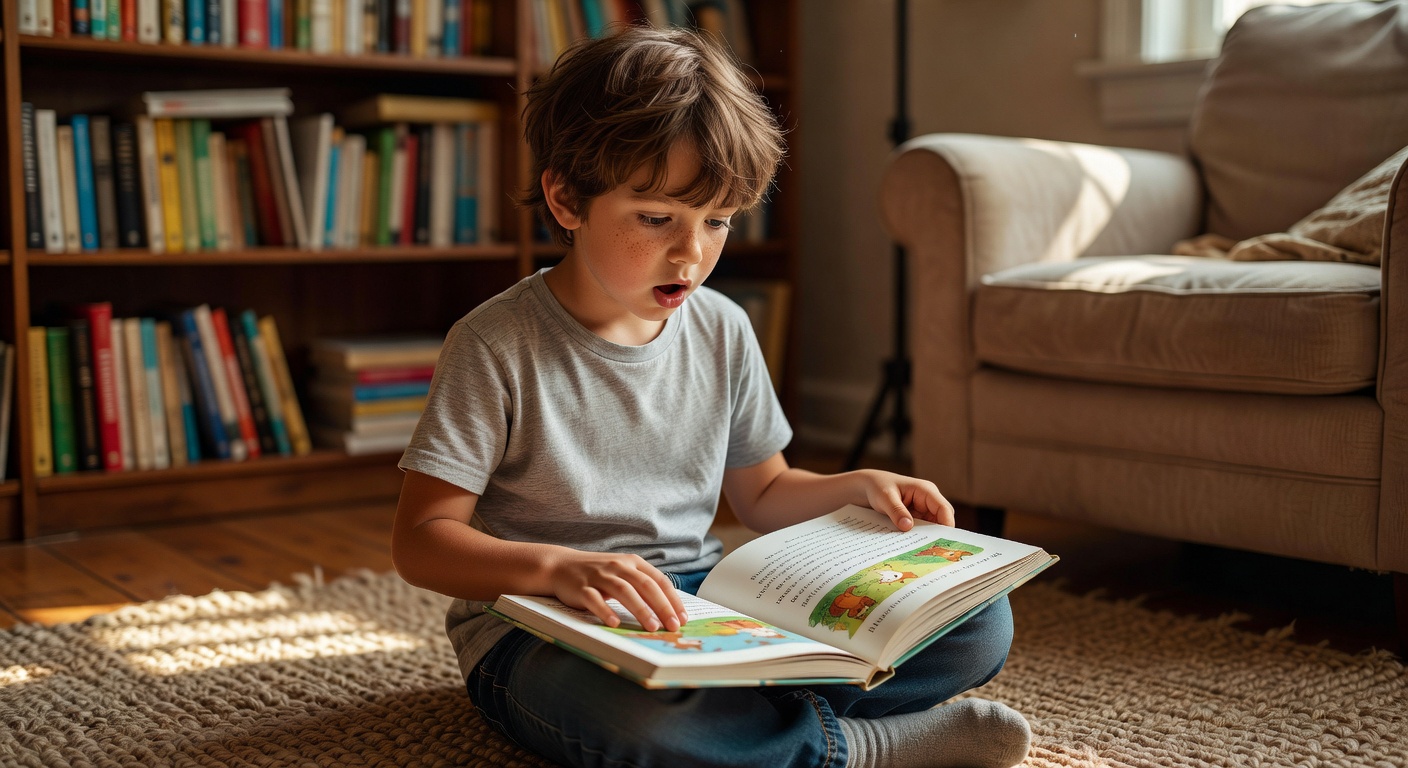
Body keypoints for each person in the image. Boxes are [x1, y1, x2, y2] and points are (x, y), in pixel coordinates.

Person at [392, 25, 1031, 768]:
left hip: (705, 597)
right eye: (657, 218)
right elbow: (421, 540)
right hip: (537, 622)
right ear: (566, 200)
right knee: (635, 724)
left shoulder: (723, 326)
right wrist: (554, 570)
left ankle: (751, 730)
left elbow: (764, 493)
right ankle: (858, 747)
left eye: (718, 221)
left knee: (978, 623)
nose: (691, 253)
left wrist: (856, 487)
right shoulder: (494, 344)